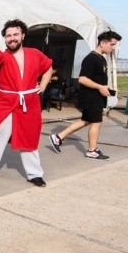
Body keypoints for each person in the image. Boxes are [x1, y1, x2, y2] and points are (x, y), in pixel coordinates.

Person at [0, 19, 53, 187]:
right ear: (5, 39)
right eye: (8, 36)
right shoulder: (2, 56)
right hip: (5, 103)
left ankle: (34, 174)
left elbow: (48, 68)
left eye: (15, 34)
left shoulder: (35, 54)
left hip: (29, 102)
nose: (12, 38)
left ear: (23, 35)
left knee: (29, 139)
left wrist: (43, 85)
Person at [50, 30, 121, 160]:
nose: (113, 48)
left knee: (86, 120)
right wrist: (100, 87)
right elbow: (82, 79)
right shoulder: (91, 58)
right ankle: (91, 150)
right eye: (112, 44)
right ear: (102, 43)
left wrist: (106, 88)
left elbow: (97, 79)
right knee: (96, 122)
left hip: (96, 96)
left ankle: (58, 137)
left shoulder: (101, 59)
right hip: (91, 97)